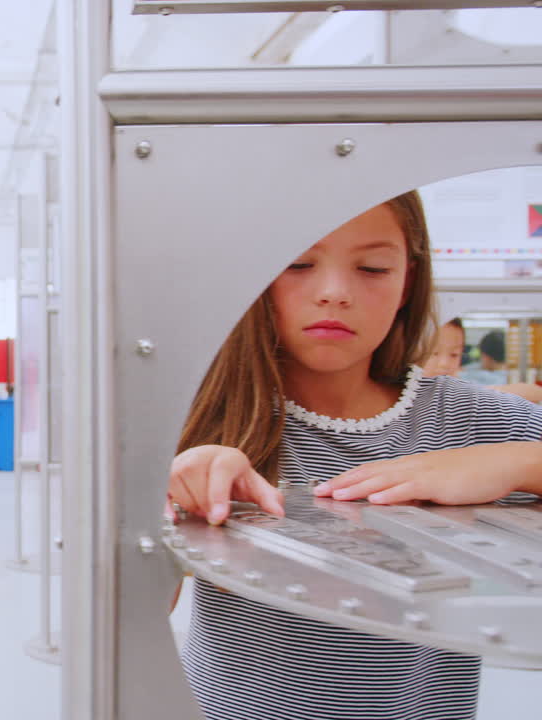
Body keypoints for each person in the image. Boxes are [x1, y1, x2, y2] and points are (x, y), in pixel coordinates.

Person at [170, 191, 542, 720]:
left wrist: (516, 463)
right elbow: (122, 617)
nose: (334, 293)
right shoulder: (194, 416)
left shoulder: (472, 420)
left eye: (372, 268)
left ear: (407, 282)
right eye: (299, 263)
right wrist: (171, 498)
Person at [423, 320, 542, 402]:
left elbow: (534, 391)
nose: (444, 364)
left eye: (454, 355)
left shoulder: (467, 384)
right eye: (434, 353)